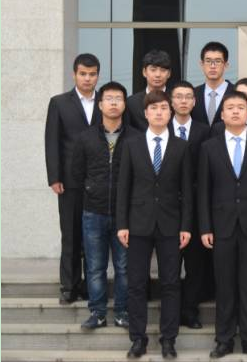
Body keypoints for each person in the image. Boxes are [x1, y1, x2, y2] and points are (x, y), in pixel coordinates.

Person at [199, 91, 247, 359]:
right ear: (222, 114)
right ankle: (223, 340)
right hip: (221, 227)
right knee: (224, 286)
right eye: (230, 107)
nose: (235, 111)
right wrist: (205, 227)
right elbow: (204, 191)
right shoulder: (209, 147)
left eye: (240, 107)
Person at [116, 90, 193, 359]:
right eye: (154, 108)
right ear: (145, 113)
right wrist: (122, 224)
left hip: (171, 225)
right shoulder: (131, 144)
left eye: (163, 108)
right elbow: (123, 187)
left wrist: (186, 226)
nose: (159, 112)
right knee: (136, 283)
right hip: (137, 224)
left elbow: (187, 191)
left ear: (170, 112)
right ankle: (138, 339)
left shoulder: (181, 146)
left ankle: (169, 339)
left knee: (171, 283)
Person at [72, 81, 136, 330]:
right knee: (95, 267)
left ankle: (122, 311)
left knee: (124, 267)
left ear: (124, 104)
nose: (113, 103)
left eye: (118, 99)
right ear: (100, 104)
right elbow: (77, 174)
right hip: (93, 212)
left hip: (125, 215)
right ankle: (97, 312)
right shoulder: (85, 138)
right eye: (108, 99)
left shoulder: (135, 138)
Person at [45, 53, 102, 304]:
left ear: (98, 75)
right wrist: (54, 177)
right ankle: (69, 286)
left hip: (100, 180)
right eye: (83, 74)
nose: (87, 78)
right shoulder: (59, 103)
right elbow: (52, 142)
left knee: (94, 236)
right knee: (70, 234)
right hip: (69, 181)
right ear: (74, 74)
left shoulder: (106, 101)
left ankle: (91, 286)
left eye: (92, 74)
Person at [168, 81, 214, 330]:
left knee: (195, 265)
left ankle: (190, 311)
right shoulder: (161, 129)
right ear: (171, 101)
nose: (184, 101)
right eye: (179, 97)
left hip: (195, 205)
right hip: (166, 206)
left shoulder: (204, 131)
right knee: (171, 265)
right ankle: (172, 312)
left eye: (188, 97)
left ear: (195, 102)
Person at [126, 49, 172, 131]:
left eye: (163, 70)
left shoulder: (176, 100)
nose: (158, 75)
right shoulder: (131, 103)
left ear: (169, 74)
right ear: (144, 72)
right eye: (153, 70)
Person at [192, 41, 236, 128]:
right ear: (201, 64)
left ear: (226, 65)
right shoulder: (193, 94)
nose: (212, 66)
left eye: (218, 61)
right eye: (208, 61)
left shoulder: (236, 92)